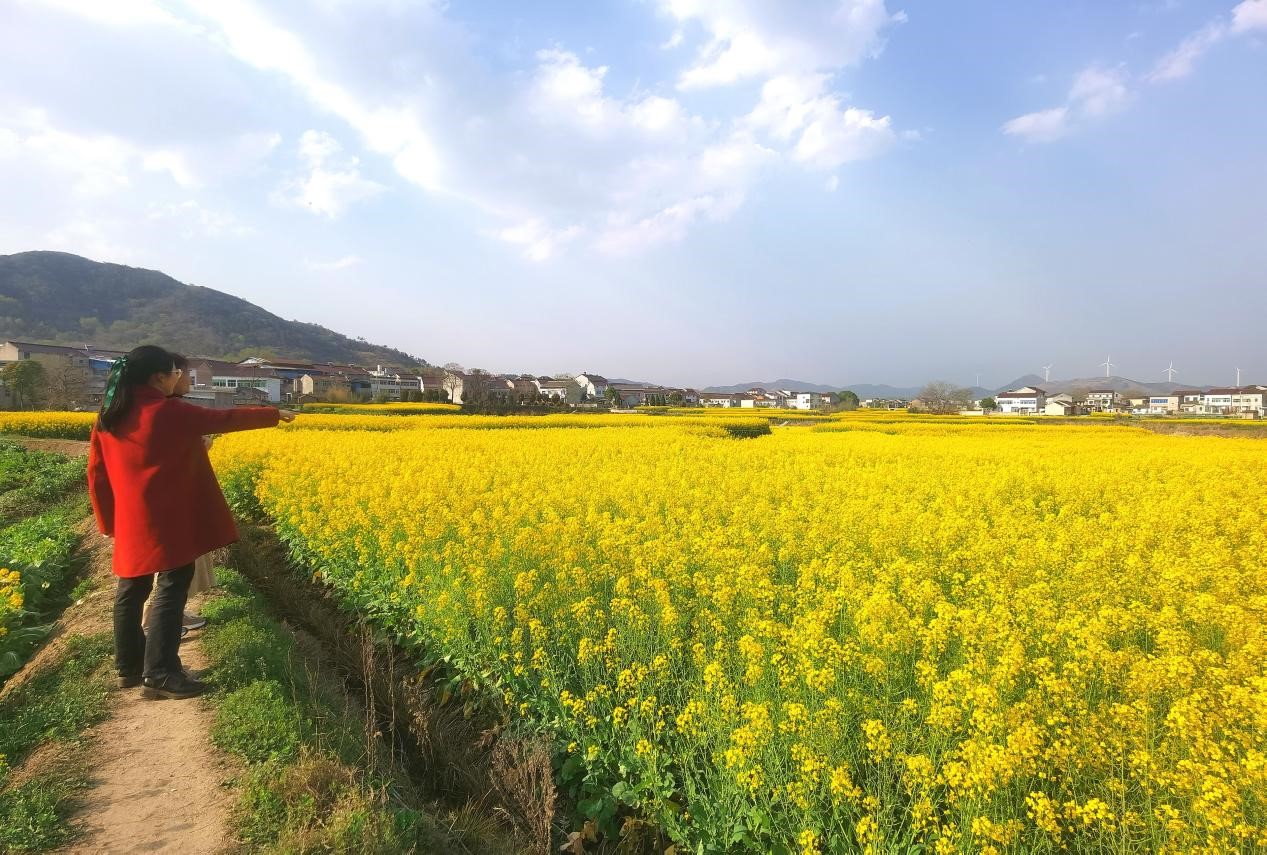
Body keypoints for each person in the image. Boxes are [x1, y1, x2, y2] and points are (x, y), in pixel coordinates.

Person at [88, 345, 296, 700]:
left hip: (131, 518)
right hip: (167, 519)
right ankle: (162, 672)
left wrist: (108, 521)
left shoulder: (109, 415)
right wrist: (274, 413)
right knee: (172, 585)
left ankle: (129, 668)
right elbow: (224, 420)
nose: (178, 379)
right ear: (158, 378)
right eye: (175, 373)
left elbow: (97, 474)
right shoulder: (167, 412)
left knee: (131, 588)